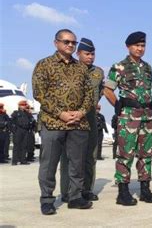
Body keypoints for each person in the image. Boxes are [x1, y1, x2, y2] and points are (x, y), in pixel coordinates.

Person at [33, 28, 94, 215]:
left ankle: (75, 197)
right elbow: (39, 93)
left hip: (78, 123)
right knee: (49, 164)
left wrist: (81, 112)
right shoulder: (44, 65)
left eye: (73, 43)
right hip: (52, 123)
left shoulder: (81, 68)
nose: (70, 45)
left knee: (77, 164)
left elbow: (90, 94)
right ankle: (47, 199)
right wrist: (61, 114)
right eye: (66, 41)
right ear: (56, 43)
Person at [104, 31, 152, 205]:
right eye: (137, 46)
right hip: (128, 117)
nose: (140, 49)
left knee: (146, 154)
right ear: (128, 47)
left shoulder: (148, 67)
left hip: (147, 117)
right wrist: (118, 106)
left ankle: (145, 189)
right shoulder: (119, 66)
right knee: (125, 154)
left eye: (143, 46)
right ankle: (123, 191)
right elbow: (108, 90)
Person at [60, 38, 104, 202]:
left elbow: (99, 92)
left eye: (93, 54)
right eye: (87, 54)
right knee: (69, 156)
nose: (90, 57)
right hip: (71, 116)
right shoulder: (70, 68)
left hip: (90, 117)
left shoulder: (98, 72)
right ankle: (67, 191)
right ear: (78, 54)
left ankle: (86, 189)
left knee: (90, 155)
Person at [10, 100, 30, 166]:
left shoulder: (27, 113)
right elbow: (11, 122)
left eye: (25, 105)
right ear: (19, 106)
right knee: (16, 146)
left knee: (24, 146)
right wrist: (14, 131)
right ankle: (14, 161)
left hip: (25, 130)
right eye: (23, 105)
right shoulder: (15, 113)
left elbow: (31, 121)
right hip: (18, 130)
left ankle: (23, 160)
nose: (24, 106)